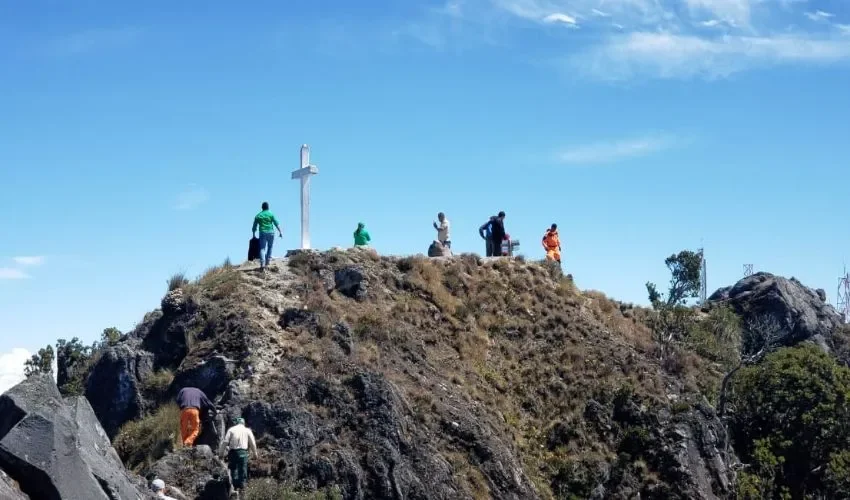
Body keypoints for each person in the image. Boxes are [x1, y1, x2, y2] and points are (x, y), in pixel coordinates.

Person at [219, 417, 259, 493]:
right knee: (243, 470)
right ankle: (242, 489)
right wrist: (255, 454)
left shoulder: (231, 429)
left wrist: (221, 454)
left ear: (236, 423)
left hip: (233, 453)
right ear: (243, 423)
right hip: (243, 453)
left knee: (232, 470)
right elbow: (252, 443)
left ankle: (232, 487)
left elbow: (225, 442)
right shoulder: (247, 430)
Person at [252, 202, 283, 270]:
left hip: (262, 232)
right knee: (270, 247)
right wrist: (280, 232)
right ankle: (267, 262)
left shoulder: (258, 215)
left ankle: (262, 264)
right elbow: (276, 223)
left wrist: (254, 235)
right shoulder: (271, 214)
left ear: (262, 207)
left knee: (262, 248)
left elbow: (254, 226)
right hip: (271, 233)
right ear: (268, 207)